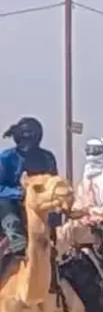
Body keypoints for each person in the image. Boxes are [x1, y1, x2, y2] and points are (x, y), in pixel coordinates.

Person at [0, 117, 59, 273]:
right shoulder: (6, 158)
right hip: (10, 207)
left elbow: (54, 185)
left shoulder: (47, 158)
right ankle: (16, 240)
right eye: (25, 136)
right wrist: (20, 192)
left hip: (40, 209)